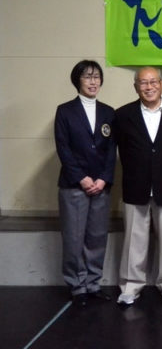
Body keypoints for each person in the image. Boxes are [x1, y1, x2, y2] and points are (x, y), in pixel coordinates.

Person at [115, 66, 162, 305]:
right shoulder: (123, 115)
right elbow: (121, 149)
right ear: (136, 87)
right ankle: (131, 285)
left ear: (161, 84)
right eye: (143, 83)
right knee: (133, 240)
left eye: (153, 82)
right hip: (135, 185)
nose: (149, 87)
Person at [54, 60, 116, 306]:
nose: (93, 81)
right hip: (74, 186)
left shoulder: (108, 112)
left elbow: (111, 150)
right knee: (74, 238)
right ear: (77, 80)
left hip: (101, 186)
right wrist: (82, 178)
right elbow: (63, 148)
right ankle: (77, 286)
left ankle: (93, 284)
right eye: (87, 76)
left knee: (97, 238)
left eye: (96, 77)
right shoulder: (65, 111)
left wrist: (103, 179)